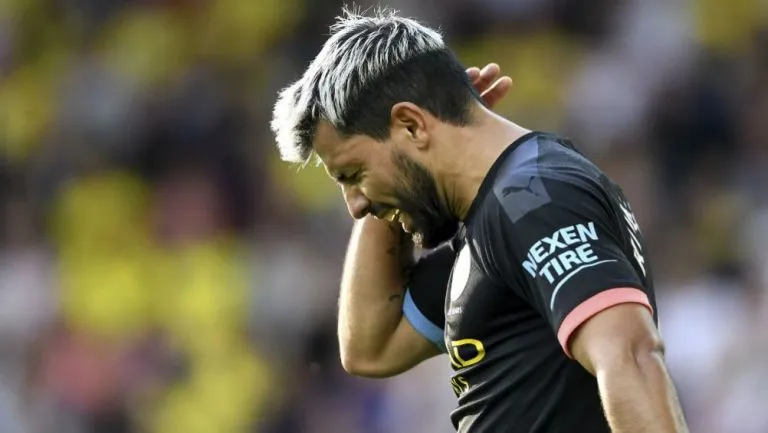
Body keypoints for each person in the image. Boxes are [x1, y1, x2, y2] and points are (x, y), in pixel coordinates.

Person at [270, 8, 689, 433]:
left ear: (411, 124)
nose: (355, 206)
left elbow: (631, 356)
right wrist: (408, 166)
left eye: (354, 174)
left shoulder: (534, 198)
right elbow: (370, 347)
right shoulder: (490, 219)